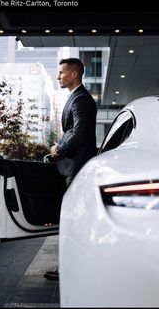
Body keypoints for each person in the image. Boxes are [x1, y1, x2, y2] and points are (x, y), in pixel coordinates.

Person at [43, 57, 97, 281]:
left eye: (61, 72)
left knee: (72, 218)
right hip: (73, 166)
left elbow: (79, 132)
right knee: (74, 217)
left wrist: (59, 150)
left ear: (74, 74)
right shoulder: (77, 98)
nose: (58, 76)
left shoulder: (81, 99)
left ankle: (69, 268)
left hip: (76, 166)